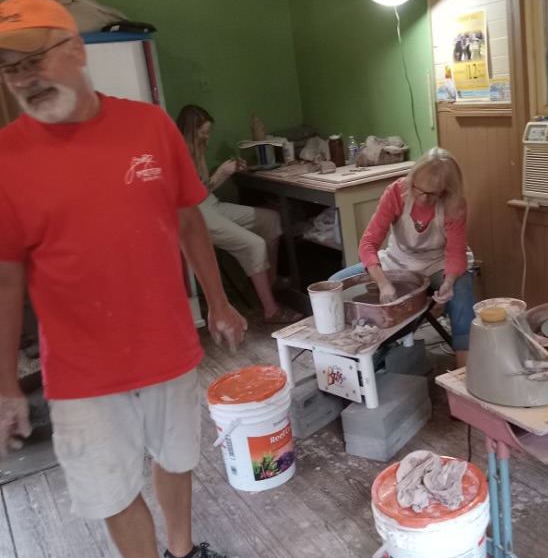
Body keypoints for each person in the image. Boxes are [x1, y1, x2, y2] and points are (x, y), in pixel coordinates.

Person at [0, 0, 253, 558]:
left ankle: (182, 552)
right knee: (111, 489)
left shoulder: (148, 127)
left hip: (166, 344)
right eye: (10, 69)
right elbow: (6, 278)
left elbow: (190, 220)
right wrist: (5, 385)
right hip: (81, 371)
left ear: (76, 50)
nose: (24, 78)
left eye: (34, 59)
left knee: (176, 458)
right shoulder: (7, 158)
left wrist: (219, 301)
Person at [330, 147, 474, 367]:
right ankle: (344, 359)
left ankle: (464, 369)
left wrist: (449, 281)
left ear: (446, 191)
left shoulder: (454, 203)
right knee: (333, 285)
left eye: (432, 194)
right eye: (418, 189)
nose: (423, 198)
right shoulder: (397, 192)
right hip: (397, 260)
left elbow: (456, 252)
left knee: (462, 289)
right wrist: (383, 283)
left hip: (437, 263)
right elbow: (368, 244)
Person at [177, 104, 298, 324]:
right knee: (255, 245)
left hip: (211, 204)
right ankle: (270, 309)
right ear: (190, 131)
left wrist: (229, 171)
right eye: (203, 133)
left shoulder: (197, 149)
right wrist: (221, 173)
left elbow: (206, 189)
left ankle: (268, 283)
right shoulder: (178, 155)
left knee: (271, 220)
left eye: (208, 132)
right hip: (197, 214)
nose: (207, 137)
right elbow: (194, 197)